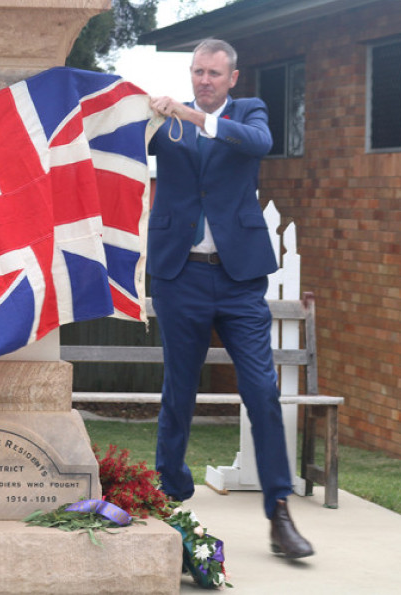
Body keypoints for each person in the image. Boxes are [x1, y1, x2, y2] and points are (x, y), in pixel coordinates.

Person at [147, 38, 314, 560]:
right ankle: (168, 493)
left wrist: (193, 117)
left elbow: (258, 143)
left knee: (262, 391)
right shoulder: (163, 119)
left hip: (240, 280)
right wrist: (149, 116)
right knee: (179, 390)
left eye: (214, 74)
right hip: (180, 276)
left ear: (232, 78)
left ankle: (280, 512)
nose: (203, 81)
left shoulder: (249, 113)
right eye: (197, 72)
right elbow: (113, 145)